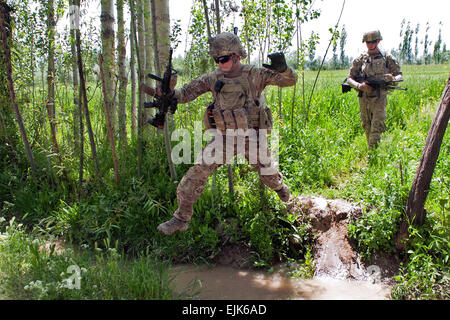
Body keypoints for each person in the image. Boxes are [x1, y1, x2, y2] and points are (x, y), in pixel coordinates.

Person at [156, 32, 298, 235]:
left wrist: (284, 69)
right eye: (216, 59)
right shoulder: (213, 78)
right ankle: (180, 219)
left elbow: (289, 80)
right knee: (195, 175)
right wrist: (170, 95)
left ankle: (282, 191)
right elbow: (187, 93)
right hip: (224, 139)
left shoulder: (254, 74)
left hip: (253, 138)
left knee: (269, 175)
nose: (219, 63)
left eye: (223, 59)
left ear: (237, 56)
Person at [346, 30, 402, 149]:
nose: (370, 45)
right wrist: (359, 86)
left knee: (377, 126)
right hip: (364, 97)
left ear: (378, 41)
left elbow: (399, 75)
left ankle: (372, 155)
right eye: (367, 42)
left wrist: (392, 78)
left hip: (379, 97)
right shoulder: (360, 59)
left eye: (372, 42)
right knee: (367, 125)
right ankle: (373, 153)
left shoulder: (387, 57)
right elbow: (349, 79)